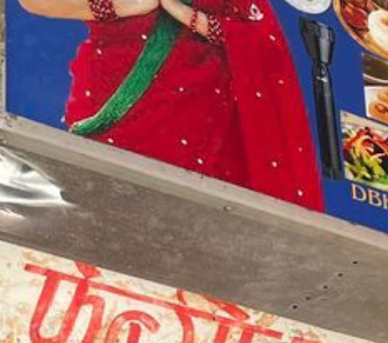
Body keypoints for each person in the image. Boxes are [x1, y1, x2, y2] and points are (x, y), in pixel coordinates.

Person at [18, 0, 323, 211]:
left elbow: (263, 39)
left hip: (214, 116)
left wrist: (203, 24)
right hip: (117, 92)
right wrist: (115, 5)